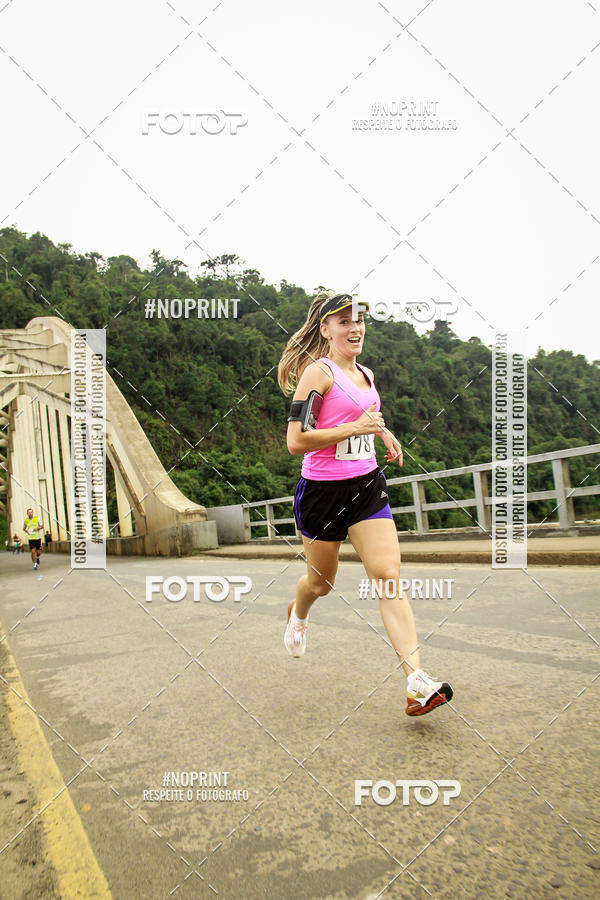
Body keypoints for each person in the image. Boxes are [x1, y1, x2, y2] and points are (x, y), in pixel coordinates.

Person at [277, 290, 453, 717]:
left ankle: (416, 681)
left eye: (359, 320)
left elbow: (366, 419)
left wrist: (382, 434)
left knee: (388, 575)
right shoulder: (317, 374)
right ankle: (298, 613)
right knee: (321, 584)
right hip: (321, 494)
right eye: (343, 321)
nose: (354, 327)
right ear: (326, 329)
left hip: (366, 488)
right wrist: (356, 426)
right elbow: (296, 441)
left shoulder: (367, 375)